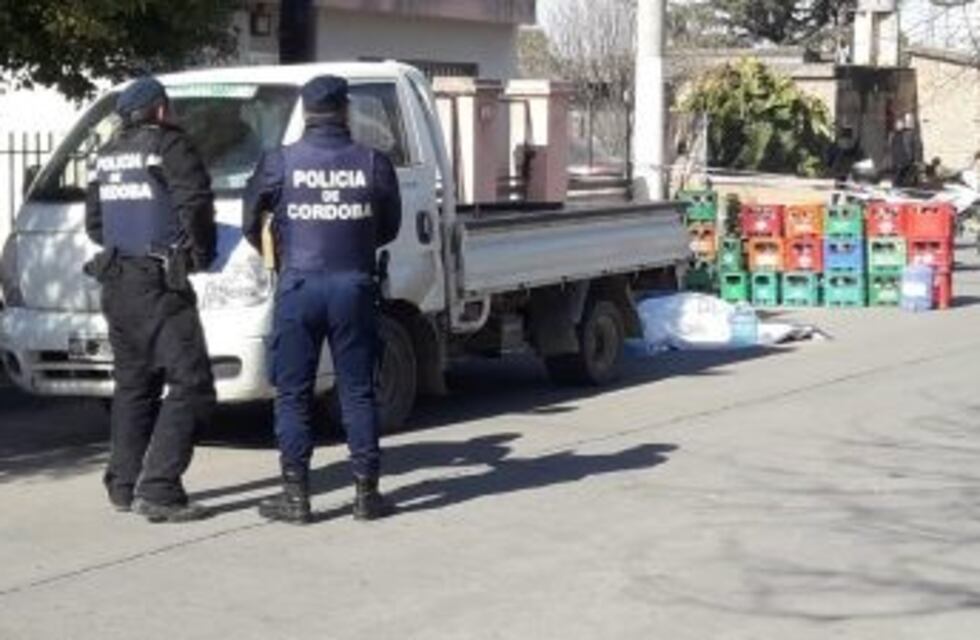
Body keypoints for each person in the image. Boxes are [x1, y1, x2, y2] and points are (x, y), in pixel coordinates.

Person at [243, 75, 402, 525]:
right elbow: (389, 226)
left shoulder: (280, 163)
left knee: (292, 393)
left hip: (299, 286)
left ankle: (296, 498)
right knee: (358, 390)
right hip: (354, 286)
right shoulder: (373, 162)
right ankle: (367, 495)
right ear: (345, 111)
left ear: (307, 113)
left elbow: (249, 221)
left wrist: (284, 248)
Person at [84, 77, 218, 523]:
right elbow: (195, 203)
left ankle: (123, 485)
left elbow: (95, 225)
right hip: (158, 282)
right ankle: (159, 488)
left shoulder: (104, 155)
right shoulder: (168, 146)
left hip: (117, 281)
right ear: (160, 110)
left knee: (134, 385)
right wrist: (198, 254)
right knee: (192, 383)